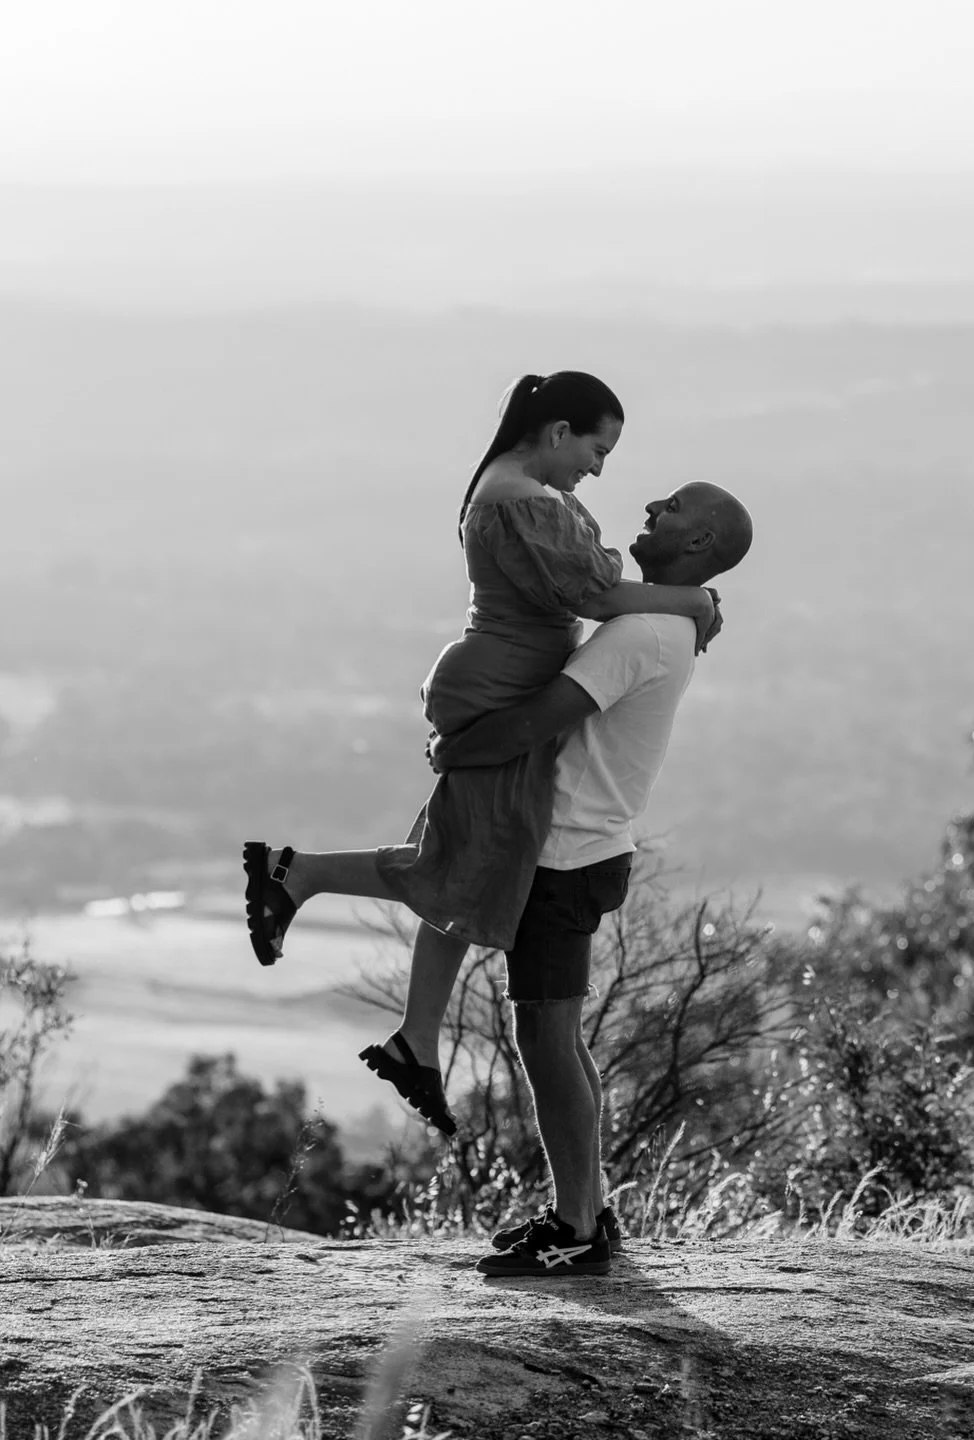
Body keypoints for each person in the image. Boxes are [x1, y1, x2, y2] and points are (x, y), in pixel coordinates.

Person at [242, 373, 720, 1133]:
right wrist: (690, 601)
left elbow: (588, 591)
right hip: (496, 690)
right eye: (598, 449)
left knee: (471, 858)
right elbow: (594, 599)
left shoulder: (522, 488)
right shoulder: (520, 497)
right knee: (461, 858)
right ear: (559, 431)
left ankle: (416, 1041)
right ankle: (296, 875)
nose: (599, 469)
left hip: (500, 681)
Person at [424, 480, 754, 1277]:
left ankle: (576, 1228)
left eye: (672, 508)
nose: (650, 511)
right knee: (557, 1035)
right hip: (587, 845)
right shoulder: (663, 618)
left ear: (701, 542)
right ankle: (584, 1209)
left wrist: (457, 749)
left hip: (566, 851)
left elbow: (544, 716)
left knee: (544, 1035)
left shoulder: (643, 630)